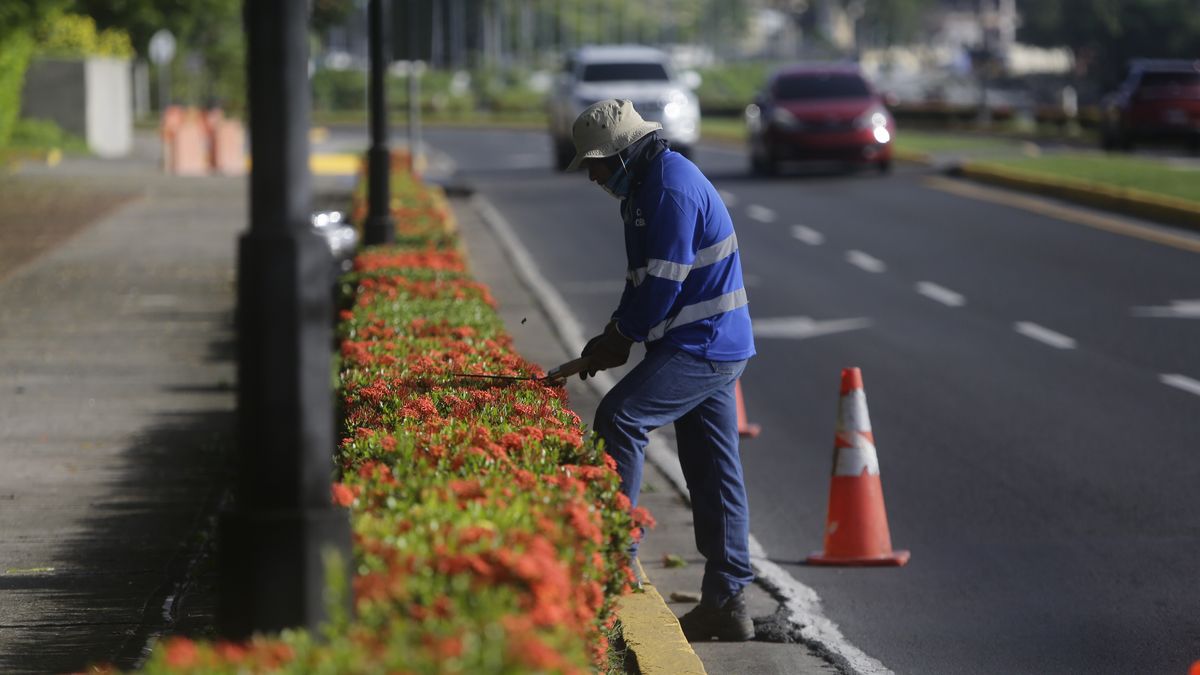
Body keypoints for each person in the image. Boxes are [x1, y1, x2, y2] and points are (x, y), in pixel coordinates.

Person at [566, 99, 757, 642]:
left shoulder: (669, 190)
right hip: (697, 341)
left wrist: (619, 339)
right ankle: (727, 601)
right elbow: (642, 282)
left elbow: (663, 288)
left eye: (597, 164)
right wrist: (612, 334)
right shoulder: (646, 190)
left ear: (624, 154)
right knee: (712, 470)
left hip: (705, 345)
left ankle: (616, 563)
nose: (594, 176)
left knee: (620, 418)